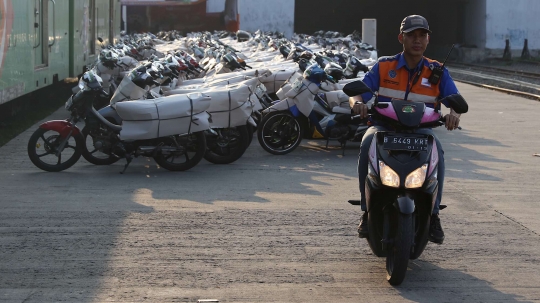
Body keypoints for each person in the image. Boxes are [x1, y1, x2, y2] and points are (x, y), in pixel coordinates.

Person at [349, 15, 463, 244]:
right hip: (384, 128)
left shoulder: (436, 71)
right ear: (402, 38)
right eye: (412, 35)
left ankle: (433, 215)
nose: (417, 40)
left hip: (421, 131)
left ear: (428, 39)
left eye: (422, 35)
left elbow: (455, 100)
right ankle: (366, 210)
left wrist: (454, 115)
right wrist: (357, 104)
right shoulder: (384, 65)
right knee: (366, 143)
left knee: (437, 152)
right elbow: (358, 92)